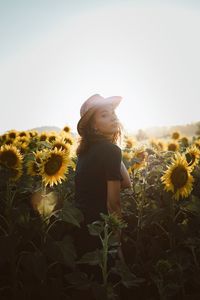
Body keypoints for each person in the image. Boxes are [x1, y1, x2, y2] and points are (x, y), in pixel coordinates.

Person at [74, 93, 131, 280]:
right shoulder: (109, 151)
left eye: (113, 112)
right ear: (93, 126)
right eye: (104, 115)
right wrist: (118, 245)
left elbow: (125, 182)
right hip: (100, 233)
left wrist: (113, 146)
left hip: (81, 230)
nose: (113, 116)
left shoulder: (85, 154)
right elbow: (113, 204)